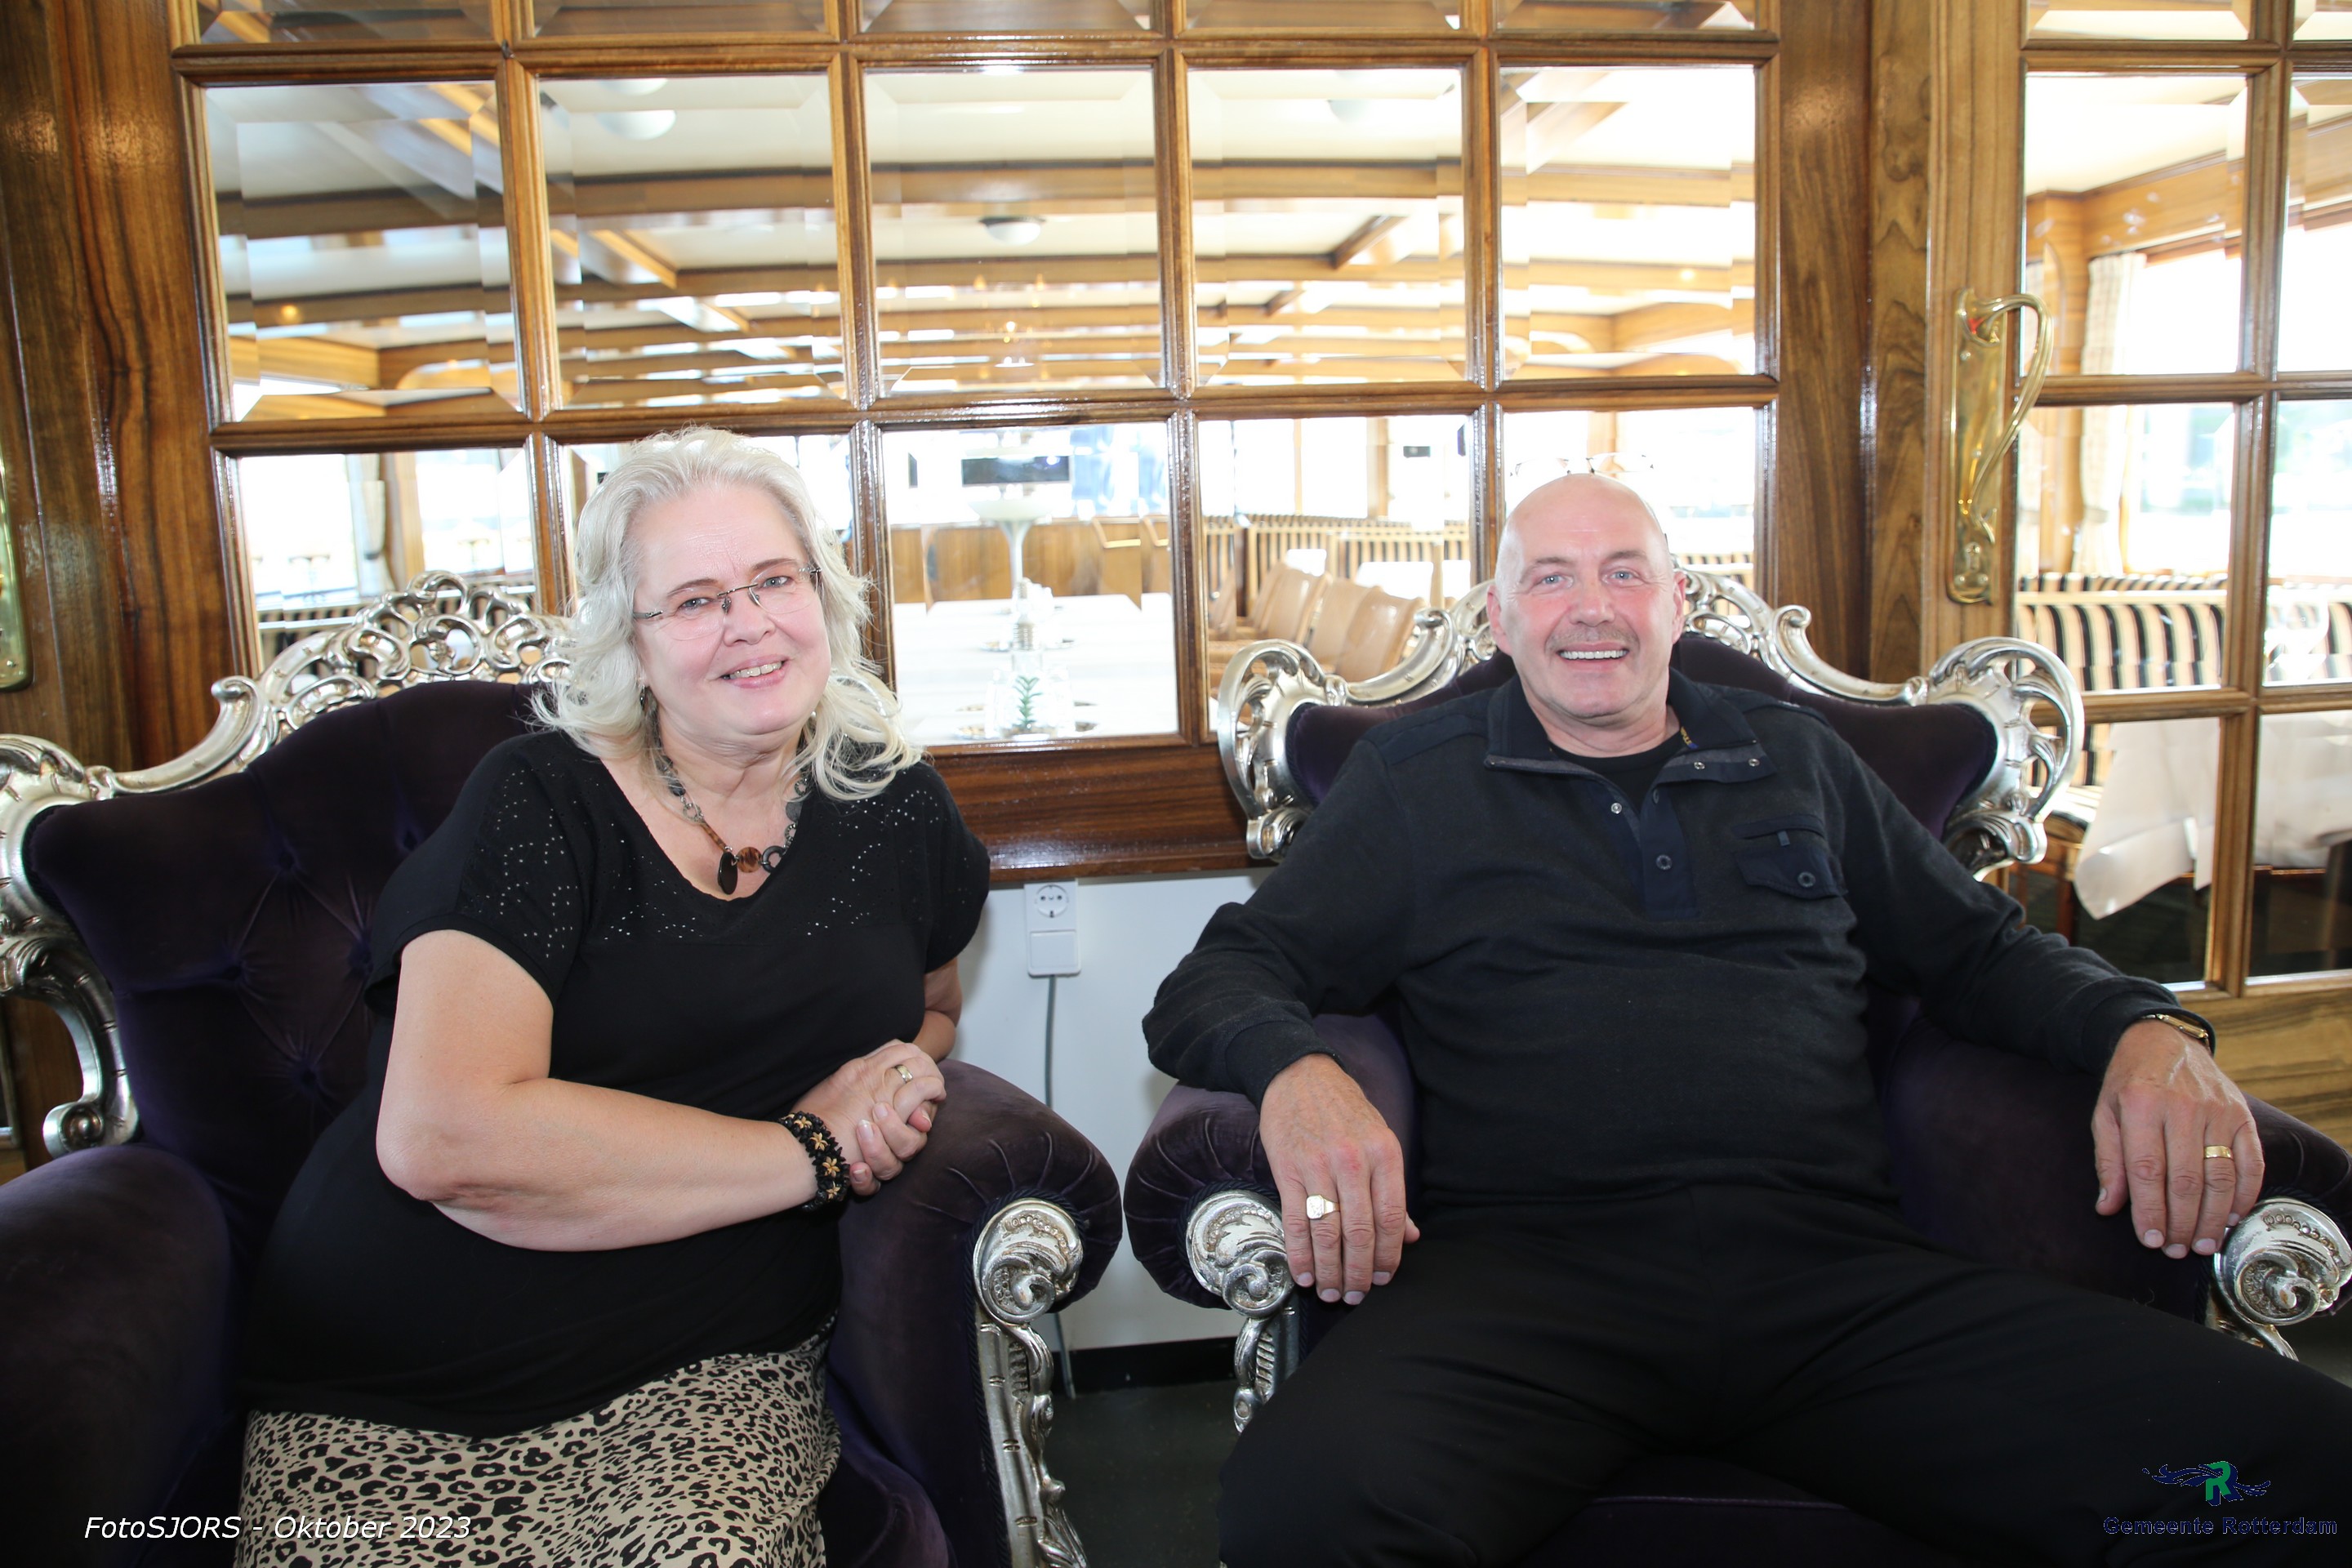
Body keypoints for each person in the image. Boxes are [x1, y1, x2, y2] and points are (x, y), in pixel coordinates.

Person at [1145, 474, 2352, 1566]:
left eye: (1625, 572)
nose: (1591, 608)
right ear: (1501, 619)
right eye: (1550, 579)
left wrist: (2145, 1030)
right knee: (1303, 1509)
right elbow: (1220, 978)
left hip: (1832, 1283)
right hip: (1524, 1285)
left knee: (2290, 1462)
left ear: (1679, 603)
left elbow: (1981, 955)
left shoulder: (1798, 757)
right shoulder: (1418, 782)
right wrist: (1299, 1073)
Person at [235, 428, 990, 1566]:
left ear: (825, 598)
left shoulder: (898, 805)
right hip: (408, 1366)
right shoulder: (541, 802)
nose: (748, 623)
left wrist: (901, 1074)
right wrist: (811, 1153)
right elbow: (445, 1136)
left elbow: (930, 1005)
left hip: (710, 1359)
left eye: (774, 580)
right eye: (693, 600)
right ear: (627, 643)